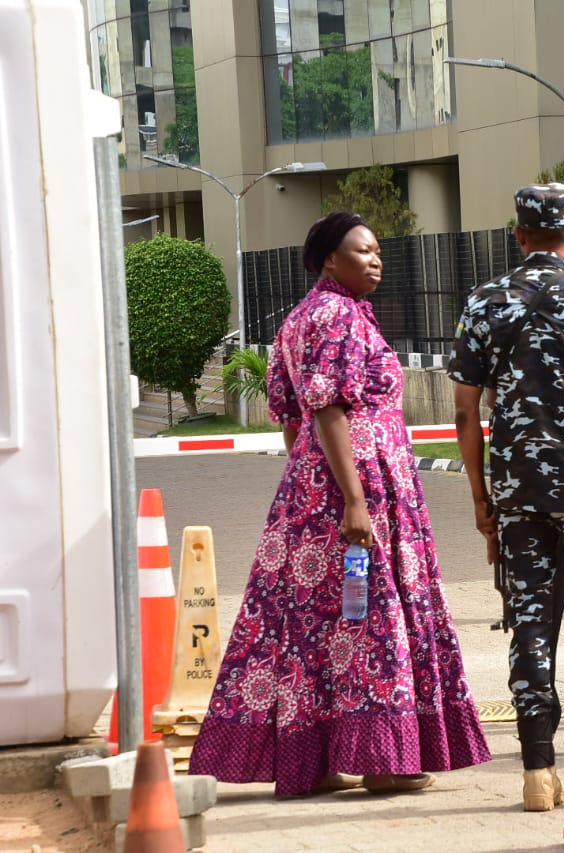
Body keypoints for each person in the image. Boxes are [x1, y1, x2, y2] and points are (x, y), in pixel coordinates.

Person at [189, 212, 491, 799]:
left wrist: (308, 488)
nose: (376, 260)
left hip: (317, 487)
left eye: (378, 251)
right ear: (331, 258)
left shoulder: (301, 318)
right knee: (370, 614)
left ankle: (319, 758)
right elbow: (326, 410)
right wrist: (354, 499)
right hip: (359, 484)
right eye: (363, 251)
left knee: (317, 622)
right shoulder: (335, 316)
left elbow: (290, 421)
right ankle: (381, 759)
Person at [449, 184, 564, 812]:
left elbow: (465, 412)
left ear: (520, 234)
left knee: (530, 625)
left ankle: (537, 770)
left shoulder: (482, 303)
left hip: (517, 492)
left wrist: (481, 497)